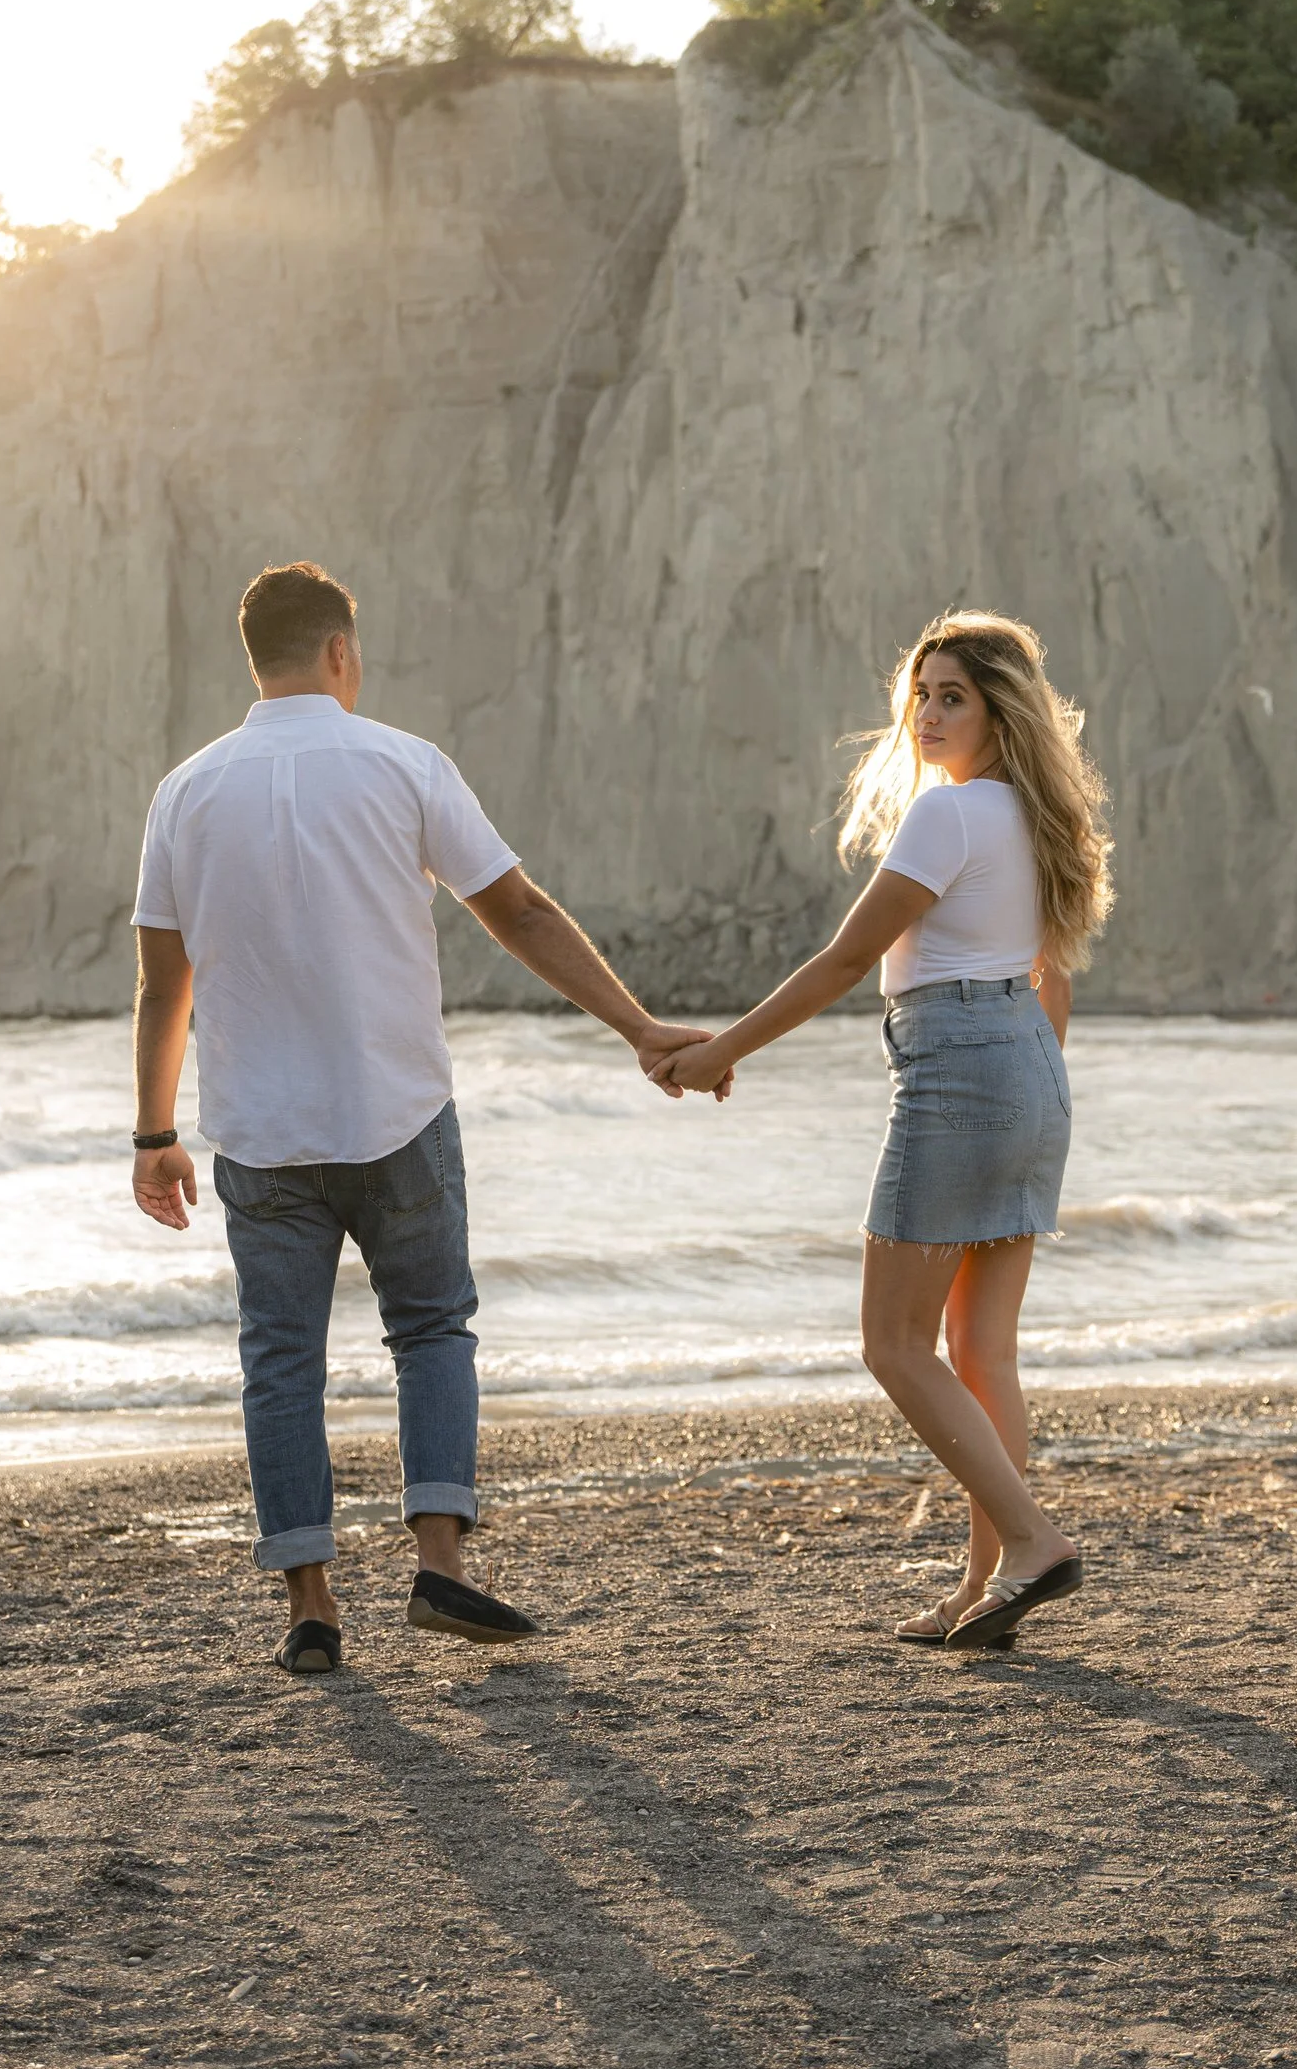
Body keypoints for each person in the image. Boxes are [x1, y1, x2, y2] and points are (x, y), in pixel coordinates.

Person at [130, 561, 719, 1674]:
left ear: (253, 657)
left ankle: (311, 1602)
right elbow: (520, 912)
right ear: (340, 651)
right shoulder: (404, 763)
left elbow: (167, 983)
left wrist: (152, 1134)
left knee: (280, 1363)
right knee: (432, 1330)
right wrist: (641, 1029)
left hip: (260, 1132)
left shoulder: (185, 791)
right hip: (398, 1110)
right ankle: (440, 1564)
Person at [670, 610, 1112, 1651]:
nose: (927, 712)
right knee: (978, 1351)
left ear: (1001, 708)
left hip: (959, 1075)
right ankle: (984, 1589)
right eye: (919, 691)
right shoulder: (1032, 820)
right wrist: (1032, 1093)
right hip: (1028, 1075)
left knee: (895, 1343)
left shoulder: (947, 818)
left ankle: (1034, 1539)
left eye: (952, 693)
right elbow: (1050, 984)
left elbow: (836, 962)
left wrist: (721, 1048)